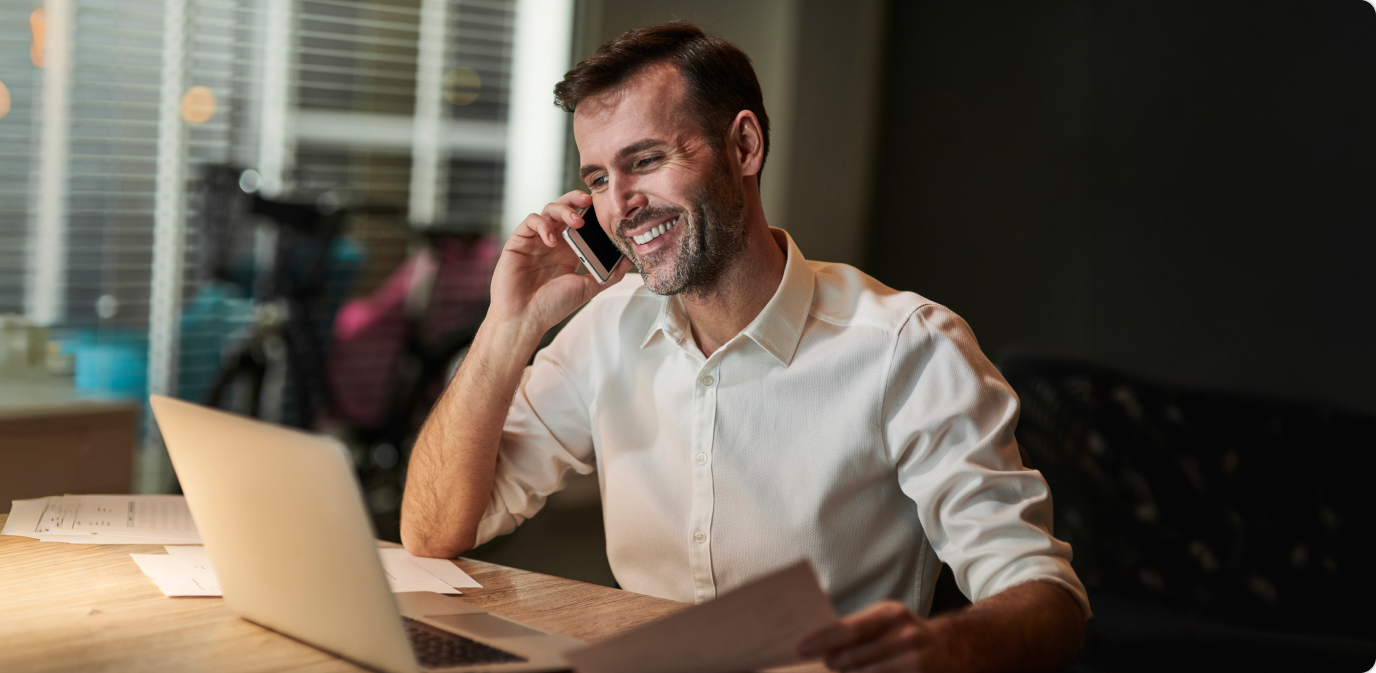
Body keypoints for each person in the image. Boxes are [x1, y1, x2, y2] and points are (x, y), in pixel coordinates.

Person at [401, 21, 1089, 672]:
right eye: (598, 178)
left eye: (645, 160)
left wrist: (944, 651)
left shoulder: (908, 347)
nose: (620, 204)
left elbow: (1048, 599)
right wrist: (507, 324)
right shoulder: (606, 328)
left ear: (744, 147)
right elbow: (433, 532)